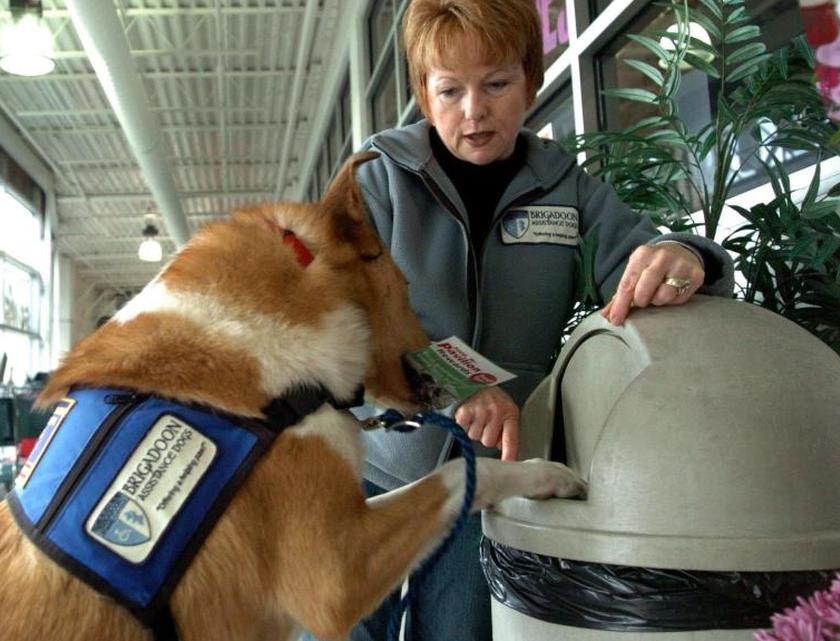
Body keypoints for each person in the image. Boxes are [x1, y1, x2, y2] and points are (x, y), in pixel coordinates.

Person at [313, 0, 736, 640]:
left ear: (531, 80)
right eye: (449, 90)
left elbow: (645, 259)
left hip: (489, 475)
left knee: (460, 631)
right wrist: (458, 386)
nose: (474, 111)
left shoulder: (565, 187)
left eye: (497, 84)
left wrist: (685, 255)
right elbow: (341, 317)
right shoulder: (377, 179)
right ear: (423, 94)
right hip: (370, 462)